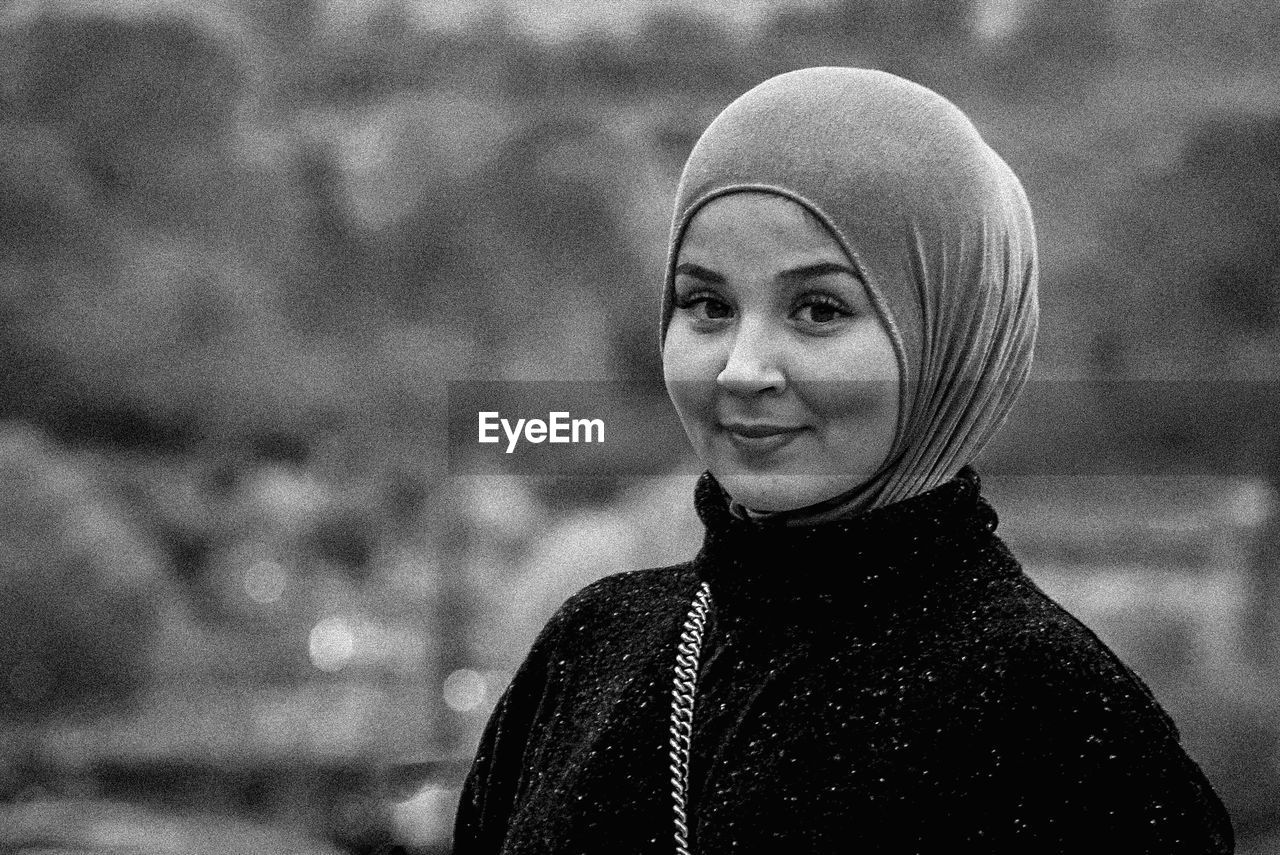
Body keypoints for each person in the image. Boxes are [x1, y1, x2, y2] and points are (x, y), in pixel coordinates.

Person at [452, 68, 1233, 854]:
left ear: (950, 333)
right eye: (708, 305)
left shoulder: (1055, 719)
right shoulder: (592, 651)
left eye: (819, 309)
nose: (741, 367)